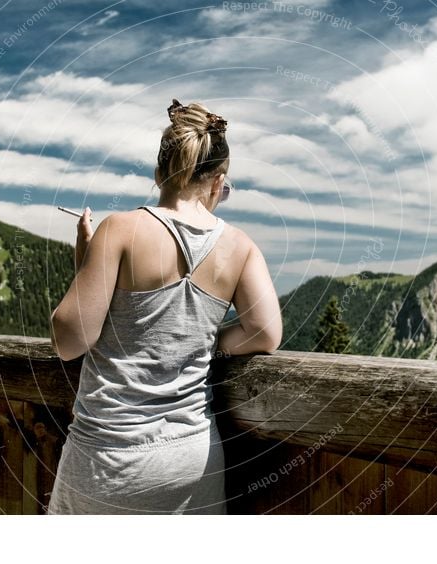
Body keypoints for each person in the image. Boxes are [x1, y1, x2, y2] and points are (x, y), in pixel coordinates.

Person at [47, 98, 282, 514]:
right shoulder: (241, 248)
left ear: (159, 174)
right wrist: (206, 340)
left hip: (109, 458)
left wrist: (86, 262)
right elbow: (264, 333)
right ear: (218, 182)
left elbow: (69, 340)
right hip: (192, 457)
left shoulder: (119, 229)